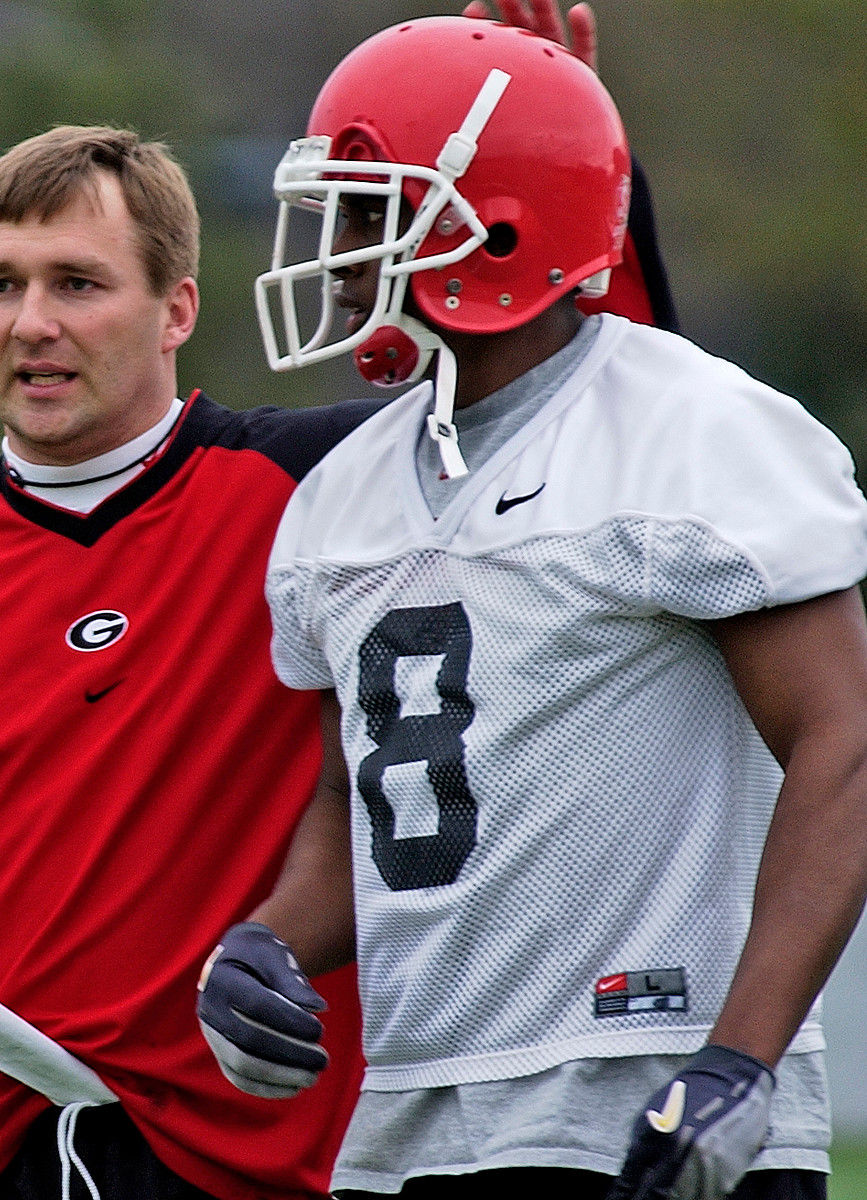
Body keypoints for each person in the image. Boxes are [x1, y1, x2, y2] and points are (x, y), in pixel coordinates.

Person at [0, 10, 673, 1200]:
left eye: (78, 283)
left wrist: (559, 175)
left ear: (177, 310)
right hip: (0, 1168)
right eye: (1, 284)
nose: (32, 321)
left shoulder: (329, 495)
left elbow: (594, 436)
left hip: (291, 1166)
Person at [196, 14, 867, 1200]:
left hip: (644, 1092)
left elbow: (845, 747)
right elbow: (371, 812)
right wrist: (264, 945)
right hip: (415, 1106)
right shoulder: (340, 494)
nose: (339, 249)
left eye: (369, 209)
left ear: (494, 220)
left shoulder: (693, 427)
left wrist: (740, 1059)